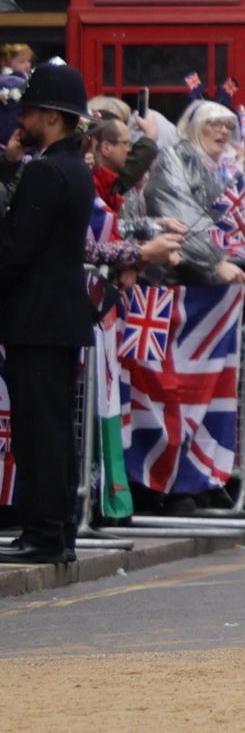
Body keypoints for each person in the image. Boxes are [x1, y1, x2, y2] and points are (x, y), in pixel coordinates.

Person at [1, 61, 110, 562]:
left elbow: (16, 248)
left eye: (30, 110)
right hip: (61, 315)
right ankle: (56, 529)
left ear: (51, 116)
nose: (22, 118)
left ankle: (43, 533)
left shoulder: (46, 172)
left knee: (38, 429)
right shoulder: (72, 167)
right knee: (53, 429)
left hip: (37, 318)